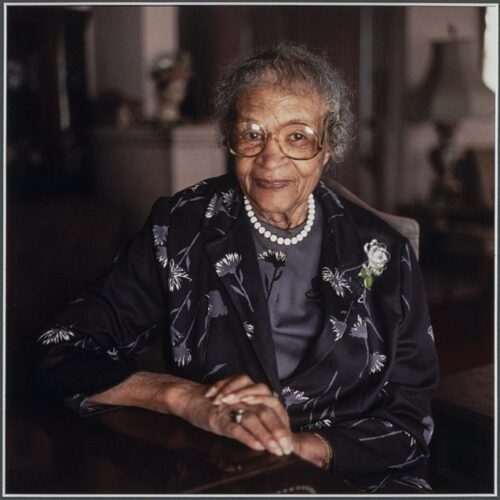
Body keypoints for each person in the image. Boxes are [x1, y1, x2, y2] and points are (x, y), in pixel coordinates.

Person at [37, 42, 439, 493]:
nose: (271, 158)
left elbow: (411, 421)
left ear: (330, 147)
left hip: (357, 479)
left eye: (298, 136)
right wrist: (185, 398)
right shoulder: (181, 227)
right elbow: (61, 347)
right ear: (231, 138)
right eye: (252, 133)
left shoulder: (384, 251)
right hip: (227, 473)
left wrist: (304, 448)